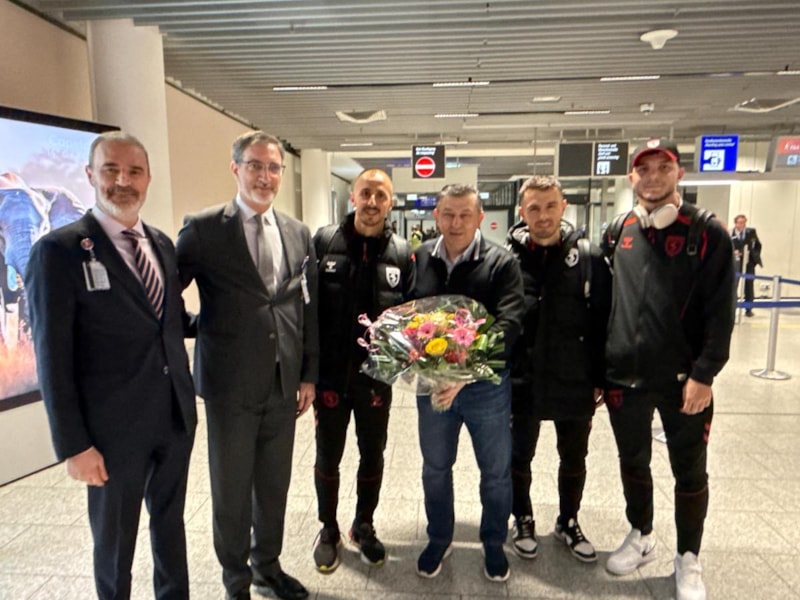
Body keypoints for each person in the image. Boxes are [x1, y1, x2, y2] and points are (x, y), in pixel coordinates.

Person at [25, 131, 197, 600]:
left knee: (170, 526)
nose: (123, 181)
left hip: (174, 419)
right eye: (111, 170)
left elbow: (170, 321)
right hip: (110, 433)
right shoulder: (59, 251)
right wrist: (74, 445)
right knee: (115, 542)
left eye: (134, 171)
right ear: (90, 175)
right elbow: (51, 358)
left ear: (148, 178)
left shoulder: (161, 244)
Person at [176, 131, 318, 600]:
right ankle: (235, 579)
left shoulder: (297, 233)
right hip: (229, 387)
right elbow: (165, 294)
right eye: (255, 165)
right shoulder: (203, 229)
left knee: (274, 487)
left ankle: (267, 567)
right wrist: (198, 326)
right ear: (235, 168)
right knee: (231, 492)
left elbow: (306, 308)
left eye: (274, 167)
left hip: (282, 385)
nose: (265, 176)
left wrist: (307, 374)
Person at [602, 139, 735, 600]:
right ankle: (641, 534)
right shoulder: (619, 231)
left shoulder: (707, 232)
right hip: (624, 379)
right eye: (644, 169)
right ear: (632, 177)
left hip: (684, 383)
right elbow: (606, 306)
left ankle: (688, 557)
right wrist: (602, 370)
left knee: (689, 472)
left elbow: (721, 312)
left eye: (664, 167)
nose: (653, 177)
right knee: (633, 462)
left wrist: (705, 374)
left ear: (679, 173)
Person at [411, 183, 525, 582]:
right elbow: (409, 315)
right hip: (433, 386)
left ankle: (493, 542)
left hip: (485, 388)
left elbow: (510, 324)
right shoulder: (421, 257)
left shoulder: (501, 262)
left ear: (480, 218)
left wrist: (464, 373)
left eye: (464, 215)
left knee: (495, 471)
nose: (455, 223)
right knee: (435, 467)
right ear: (436, 216)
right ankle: (439, 537)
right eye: (448, 214)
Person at [311, 168, 414, 572]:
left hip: (376, 381)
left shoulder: (402, 252)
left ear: (391, 203)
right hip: (331, 378)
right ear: (352, 197)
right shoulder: (324, 242)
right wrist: (307, 372)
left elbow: (411, 318)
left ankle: (364, 524)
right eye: (366, 193)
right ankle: (328, 528)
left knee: (373, 454)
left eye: (381, 195)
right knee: (328, 455)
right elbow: (306, 311)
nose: (372, 202)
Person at [505, 175, 611, 564]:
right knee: (519, 455)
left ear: (563, 206)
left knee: (574, 457)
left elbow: (604, 320)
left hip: (575, 378)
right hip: (524, 378)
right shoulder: (507, 259)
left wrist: (600, 377)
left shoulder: (589, 257)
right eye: (534, 208)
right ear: (522, 212)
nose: (543, 215)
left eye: (550, 206)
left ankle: (568, 520)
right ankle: (522, 518)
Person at [731, 214, 762, 316]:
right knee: (733, 285)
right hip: (735, 263)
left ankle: (748, 309)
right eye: (740, 223)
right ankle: (732, 308)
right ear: (735, 223)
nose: (742, 225)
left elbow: (758, 245)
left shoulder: (751, 232)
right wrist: (733, 252)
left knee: (749, 285)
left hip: (749, 263)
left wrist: (754, 257)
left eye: (744, 223)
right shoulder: (730, 233)